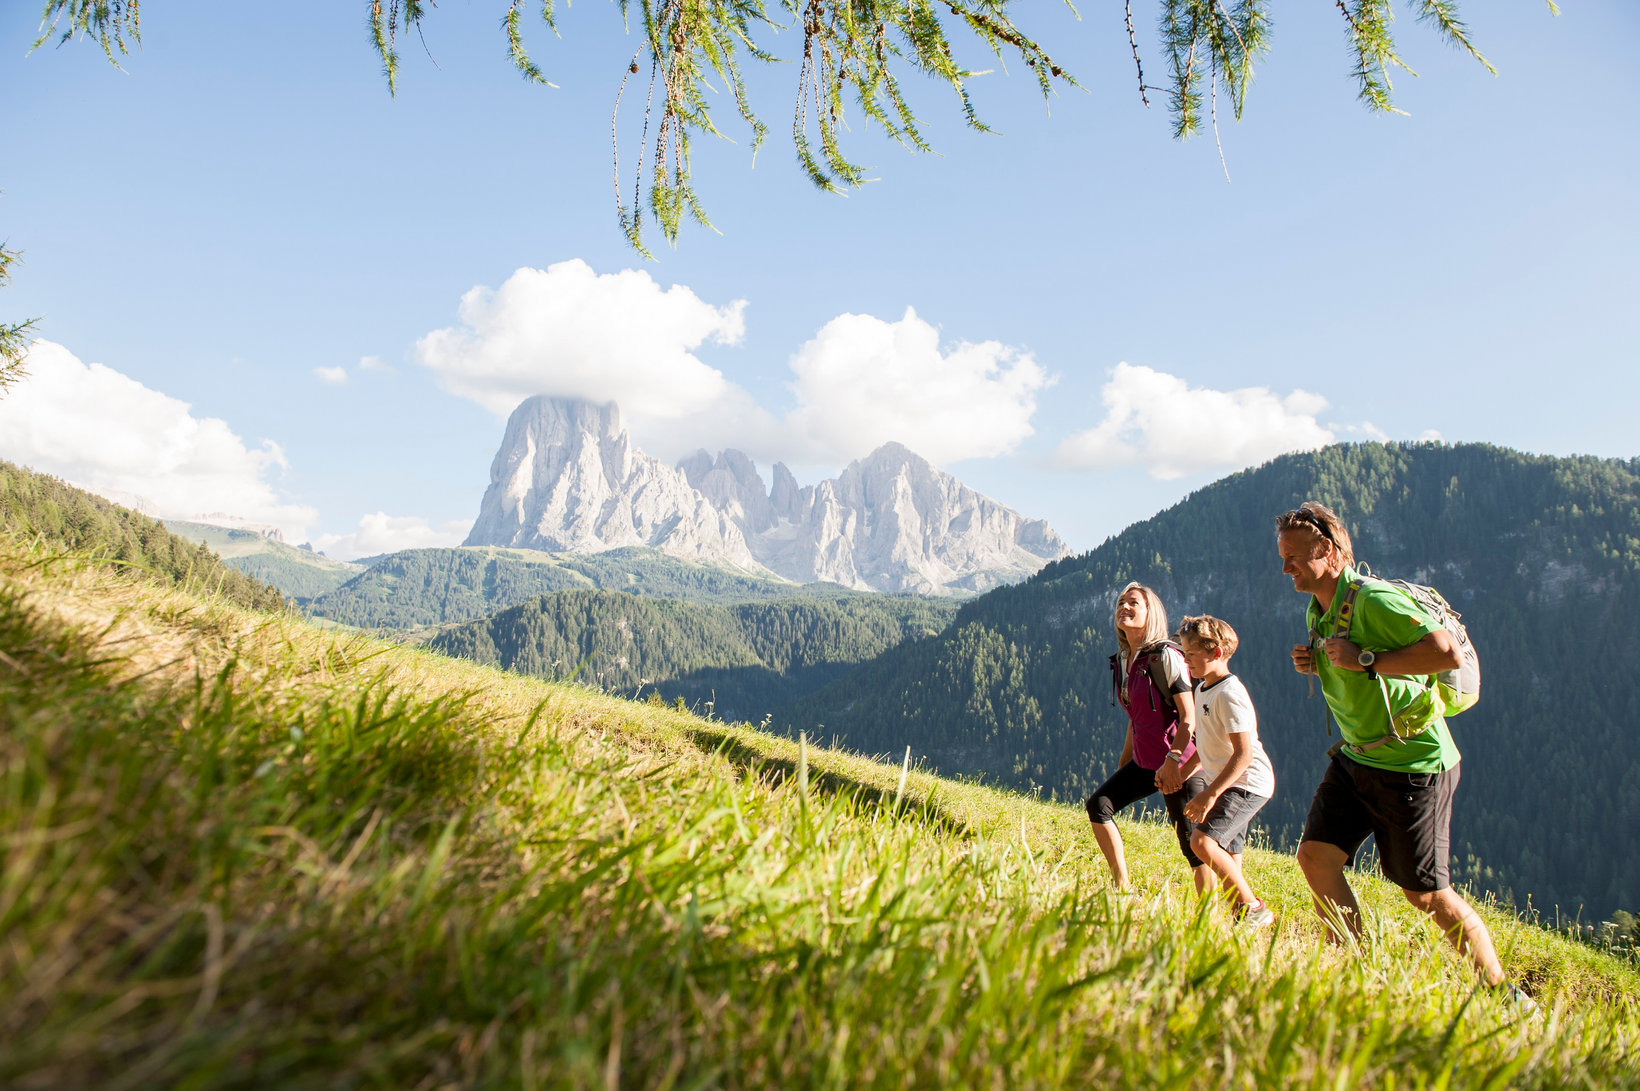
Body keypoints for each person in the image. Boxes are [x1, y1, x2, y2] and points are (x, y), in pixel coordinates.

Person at [1277, 501, 1528, 1001]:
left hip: (1412, 763)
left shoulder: (1374, 600)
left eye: (1293, 558)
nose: (1285, 568)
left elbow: (1444, 653)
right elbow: (1347, 665)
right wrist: (1317, 663)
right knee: (1315, 859)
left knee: (1426, 893)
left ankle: (1505, 994)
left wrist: (1366, 659)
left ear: (1326, 550)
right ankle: (1355, 970)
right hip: (1357, 757)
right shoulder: (1319, 606)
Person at [1085, 582, 1212, 893]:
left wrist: (1173, 764)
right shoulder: (1124, 660)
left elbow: (1189, 717)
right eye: (1120, 602)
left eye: (1133, 603)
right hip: (1145, 762)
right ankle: (1121, 886)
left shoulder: (1166, 656)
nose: (1123, 607)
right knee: (1098, 805)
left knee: (1193, 845)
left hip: (1179, 763)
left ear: (1150, 613)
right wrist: (1123, 766)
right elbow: (1136, 721)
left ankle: (1208, 918)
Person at [1177, 615, 1277, 928]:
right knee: (1227, 856)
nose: (1186, 660)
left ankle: (1253, 908)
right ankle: (1240, 919)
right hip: (1230, 780)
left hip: (1247, 782)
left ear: (1216, 653)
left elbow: (1244, 753)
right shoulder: (1204, 688)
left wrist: (1209, 793)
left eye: (1191, 654)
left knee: (1203, 843)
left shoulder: (1230, 694)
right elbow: (1206, 743)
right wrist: (1186, 770)